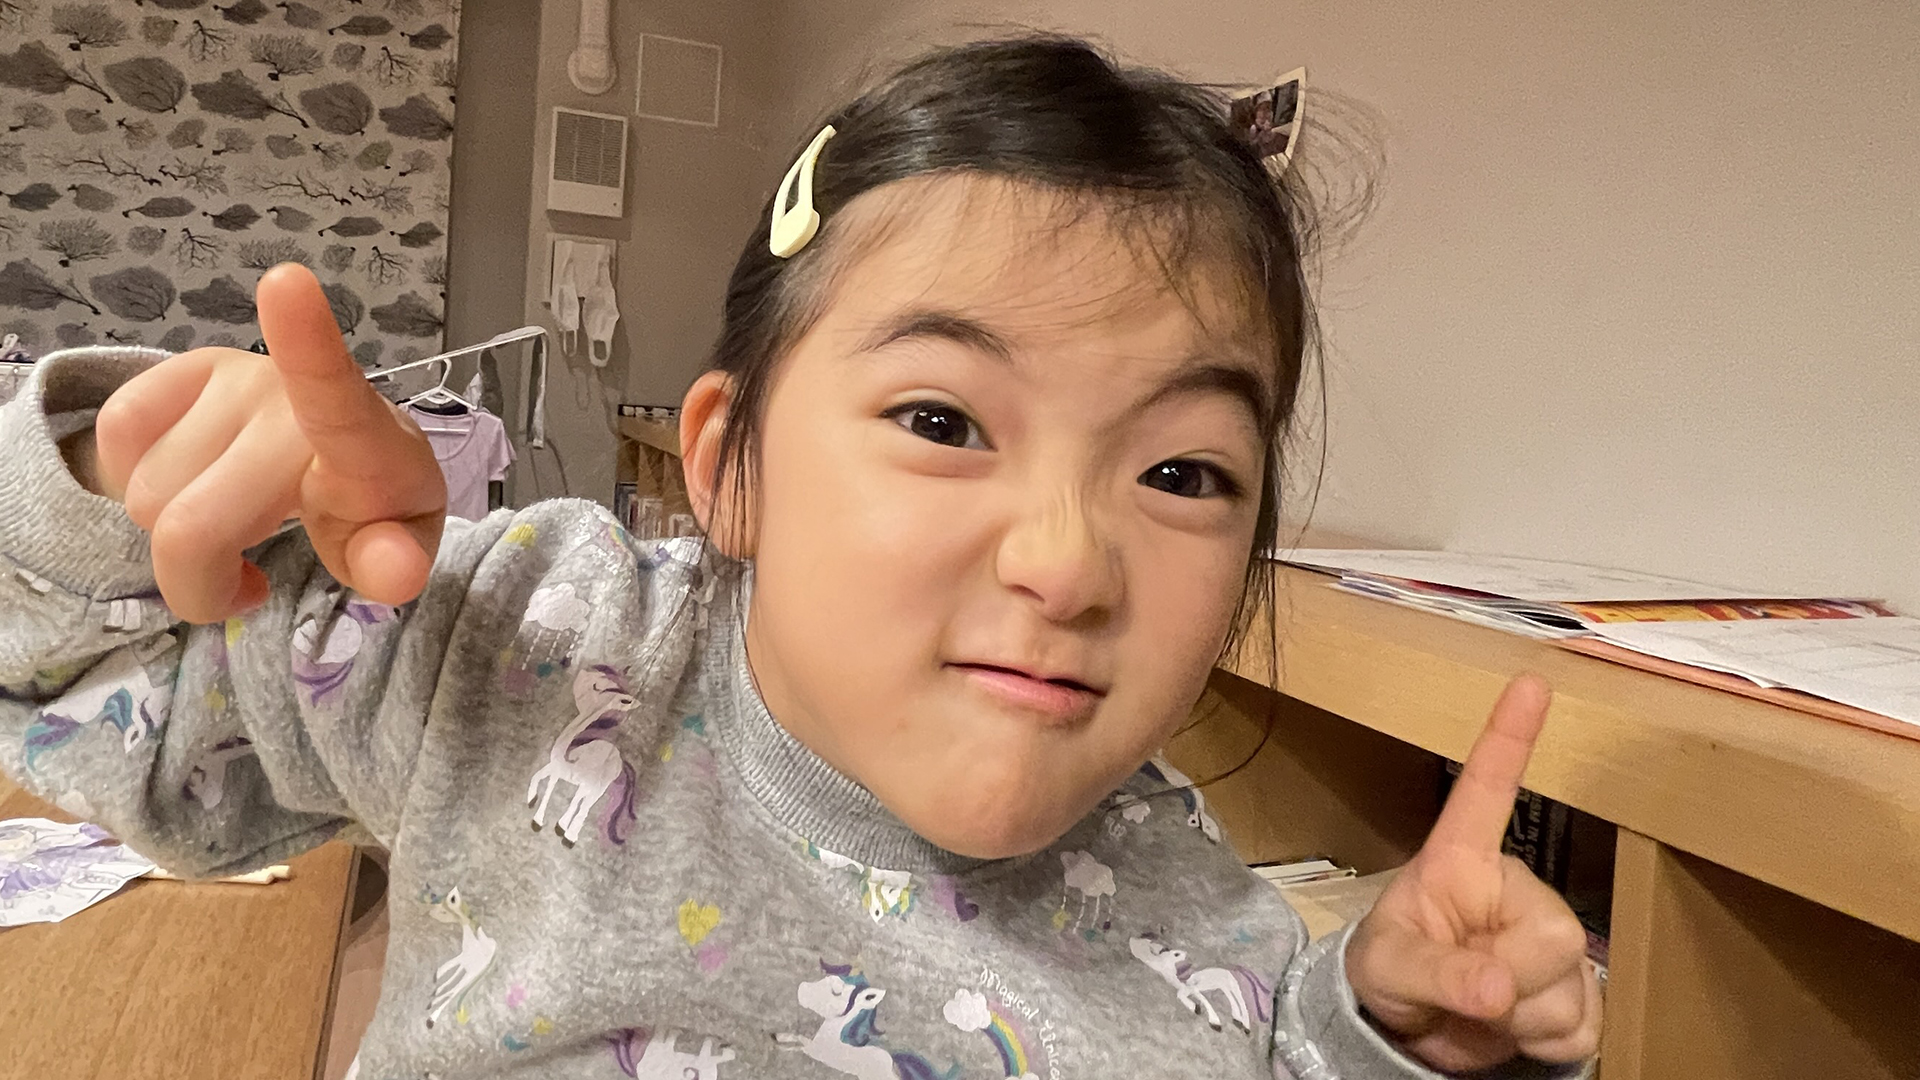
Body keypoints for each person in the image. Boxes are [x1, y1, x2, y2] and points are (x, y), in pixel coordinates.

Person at [0, 35, 1599, 1080]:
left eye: (1183, 472)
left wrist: (1385, 1028)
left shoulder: (1185, 891)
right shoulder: (531, 646)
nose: (1068, 565)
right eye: (944, 421)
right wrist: (111, 473)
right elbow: (86, 714)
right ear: (729, 468)